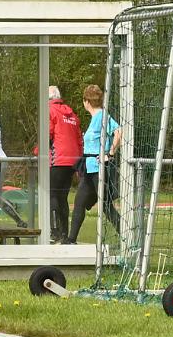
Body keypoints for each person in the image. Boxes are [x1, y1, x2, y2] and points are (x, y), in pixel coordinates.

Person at [64, 83, 121, 244]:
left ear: (86, 101)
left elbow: (118, 132)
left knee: (106, 206)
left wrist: (110, 153)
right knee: (79, 202)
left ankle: (127, 236)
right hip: (89, 169)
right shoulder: (95, 119)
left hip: (99, 168)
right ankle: (71, 239)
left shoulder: (103, 116)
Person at [46, 84, 82, 243]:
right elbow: (79, 139)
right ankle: (64, 233)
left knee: (51, 194)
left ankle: (54, 231)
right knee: (62, 197)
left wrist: (37, 151)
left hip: (58, 159)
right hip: (72, 160)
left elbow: (47, 134)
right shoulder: (72, 114)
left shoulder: (49, 111)